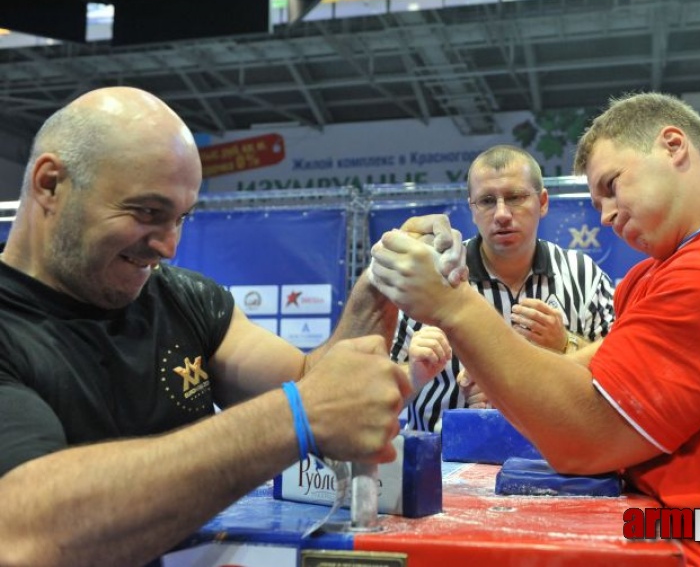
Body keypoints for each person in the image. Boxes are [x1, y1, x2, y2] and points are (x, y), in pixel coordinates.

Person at [0, 86, 465, 567]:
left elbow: (318, 385)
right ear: (50, 184)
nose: (168, 246)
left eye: (181, 218)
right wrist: (295, 418)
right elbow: (25, 529)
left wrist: (379, 284)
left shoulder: (184, 299)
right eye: (147, 213)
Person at [370, 92, 700, 565]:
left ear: (674, 146)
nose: (606, 215)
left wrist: (455, 307)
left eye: (613, 186)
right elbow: (599, 370)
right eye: (598, 200)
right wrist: (497, 360)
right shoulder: (658, 272)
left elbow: (586, 437)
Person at [389, 144, 615, 431]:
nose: (502, 214)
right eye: (486, 201)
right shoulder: (430, 278)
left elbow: (621, 379)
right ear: (472, 209)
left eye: (515, 197)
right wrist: (415, 374)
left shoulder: (584, 277)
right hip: (439, 464)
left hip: (553, 467)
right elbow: (371, 401)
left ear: (543, 202)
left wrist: (566, 345)